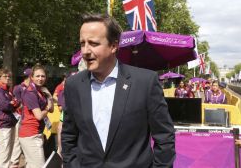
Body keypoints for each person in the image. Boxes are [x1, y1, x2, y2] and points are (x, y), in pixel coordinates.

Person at [61, 14, 175, 168]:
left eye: (93, 43)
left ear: (114, 46)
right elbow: (69, 137)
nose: (85, 51)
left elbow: (164, 137)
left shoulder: (145, 82)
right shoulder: (74, 85)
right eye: (82, 43)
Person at [19, 64, 54, 168]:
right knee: (39, 165)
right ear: (32, 77)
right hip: (30, 134)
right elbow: (39, 115)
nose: (40, 78)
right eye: (37, 76)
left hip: (37, 132)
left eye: (43, 76)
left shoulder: (40, 91)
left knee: (32, 165)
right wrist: (47, 108)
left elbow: (51, 109)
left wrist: (49, 97)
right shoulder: (30, 92)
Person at [0, 68, 20, 168]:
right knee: (4, 156)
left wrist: (13, 103)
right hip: (2, 125)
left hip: (9, 123)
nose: (8, 78)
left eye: (9, 76)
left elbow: (16, 103)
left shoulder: (7, 90)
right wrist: (12, 103)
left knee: (8, 154)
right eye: (5, 76)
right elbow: (6, 106)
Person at [10, 68, 32, 167]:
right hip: (21, 117)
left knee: (28, 141)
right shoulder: (18, 88)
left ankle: (29, 162)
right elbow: (16, 104)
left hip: (32, 118)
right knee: (18, 141)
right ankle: (14, 162)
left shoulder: (34, 88)